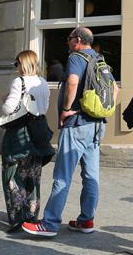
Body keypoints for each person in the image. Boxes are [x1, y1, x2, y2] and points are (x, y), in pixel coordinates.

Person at [22, 28, 115, 237]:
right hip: (97, 125)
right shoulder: (100, 59)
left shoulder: (76, 57)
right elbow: (114, 90)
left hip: (76, 124)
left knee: (62, 176)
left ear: (78, 41)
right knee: (91, 176)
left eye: (69, 38)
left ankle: (50, 223)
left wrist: (66, 110)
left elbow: (72, 82)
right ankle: (86, 220)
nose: (67, 42)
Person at [1, 50, 53, 232]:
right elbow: (45, 107)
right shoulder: (43, 82)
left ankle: (17, 216)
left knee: (12, 174)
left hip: (19, 132)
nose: (16, 68)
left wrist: (5, 100)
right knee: (33, 174)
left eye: (17, 64)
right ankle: (31, 215)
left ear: (22, 64)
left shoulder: (19, 81)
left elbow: (8, 109)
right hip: (38, 130)